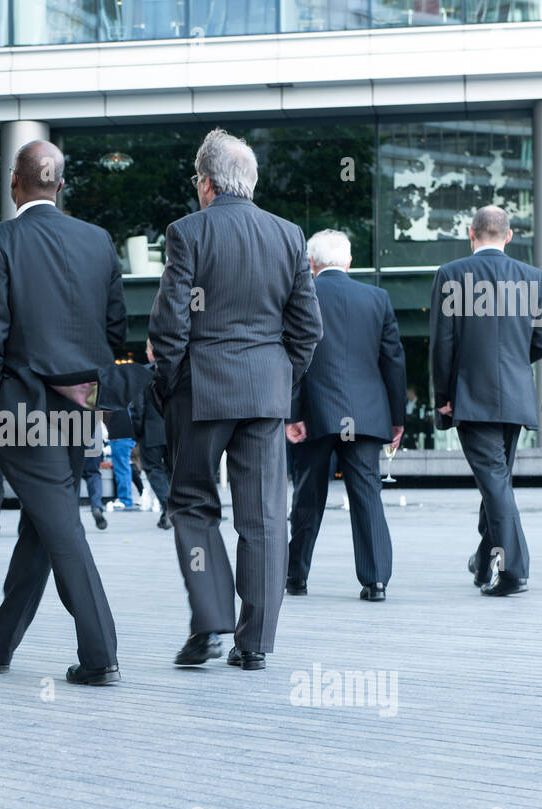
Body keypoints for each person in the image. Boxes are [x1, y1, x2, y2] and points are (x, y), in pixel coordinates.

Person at [149, 128, 323, 672]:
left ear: (205, 183)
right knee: (267, 517)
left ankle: (209, 622)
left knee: (193, 506)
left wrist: (171, 382)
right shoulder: (289, 235)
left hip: (202, 390)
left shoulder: (186, 233)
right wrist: (282, 379)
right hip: (265, 395)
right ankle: (256, 644)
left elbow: (170, 323)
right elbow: (307, 327)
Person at [0, 139, 127, 686]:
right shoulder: (99, 241)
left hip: (21, 411)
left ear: (16, 185)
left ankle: (100, 652)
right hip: (80, 407)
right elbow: (115, 333)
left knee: (60, 527)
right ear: (60, 185)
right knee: (43, 523)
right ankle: (2, 640)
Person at [429, 205, 542, 597]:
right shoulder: (532, 277)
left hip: (472, 397)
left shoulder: (451, 276)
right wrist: (514, 366)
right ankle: (484, 560)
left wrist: (445, 397)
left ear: (471, 233)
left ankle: (515, 570)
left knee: (495, 485)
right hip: (515, 397)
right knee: (496, 482)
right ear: (509, 235)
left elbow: (442, 346)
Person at [285, 229, 407, 601]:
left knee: (308, 496)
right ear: (349, 261)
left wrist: (292, 414)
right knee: (367, 494)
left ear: (310, 263)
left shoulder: (300, 297)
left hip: (315, 416)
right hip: (366, 415)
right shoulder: (377, 298)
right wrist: (396, 418)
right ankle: (376, 581)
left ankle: (296, 576)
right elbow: (394, 361)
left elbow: (291, 357)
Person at [131, 339, 171, 530]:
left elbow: (138, 408)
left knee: (154, 469)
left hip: (151, 432)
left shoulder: (145, 374)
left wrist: (137, 432)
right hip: (174, 431)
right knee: (173, 471)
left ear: (151, 352)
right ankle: (172, 512)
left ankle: (169, 508)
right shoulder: (177, 370)